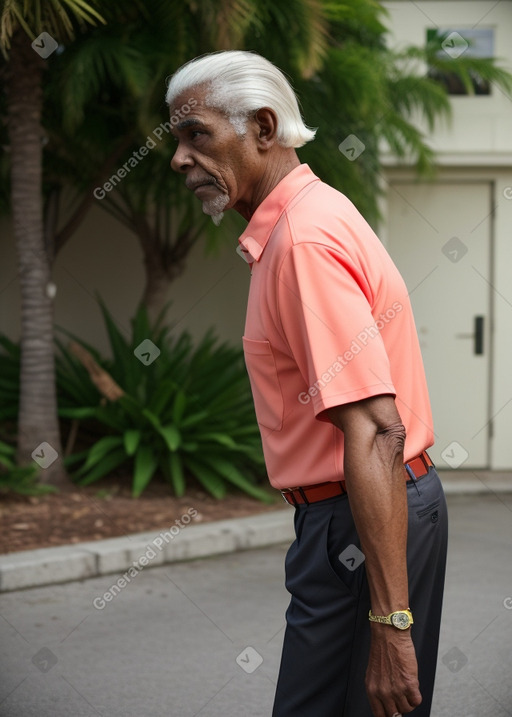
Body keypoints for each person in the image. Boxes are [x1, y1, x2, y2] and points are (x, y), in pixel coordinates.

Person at [166, 50, 448, 717]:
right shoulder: (306, 221)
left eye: (196, 134)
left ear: (264, 128)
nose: (177, 158)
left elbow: (378, 428)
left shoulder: (303, 244)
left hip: (361, 516)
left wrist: (392, 625)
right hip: (367, 510)